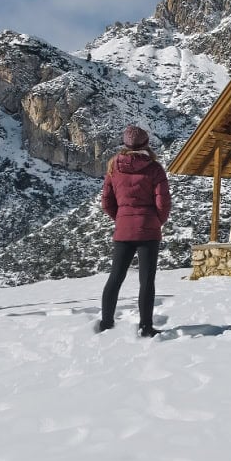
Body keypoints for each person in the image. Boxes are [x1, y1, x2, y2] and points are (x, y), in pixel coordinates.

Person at [98, 125, 171, 336]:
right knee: (146, 280)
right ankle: (146, 327)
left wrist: (121, 218)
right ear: (146, 144)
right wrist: (157, 221)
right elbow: (163, 201)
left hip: (123, 231)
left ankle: (106, 323)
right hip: (148, 231)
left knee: (115, 277)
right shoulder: (154, 168)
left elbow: (106, 202)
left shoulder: (113, 166)